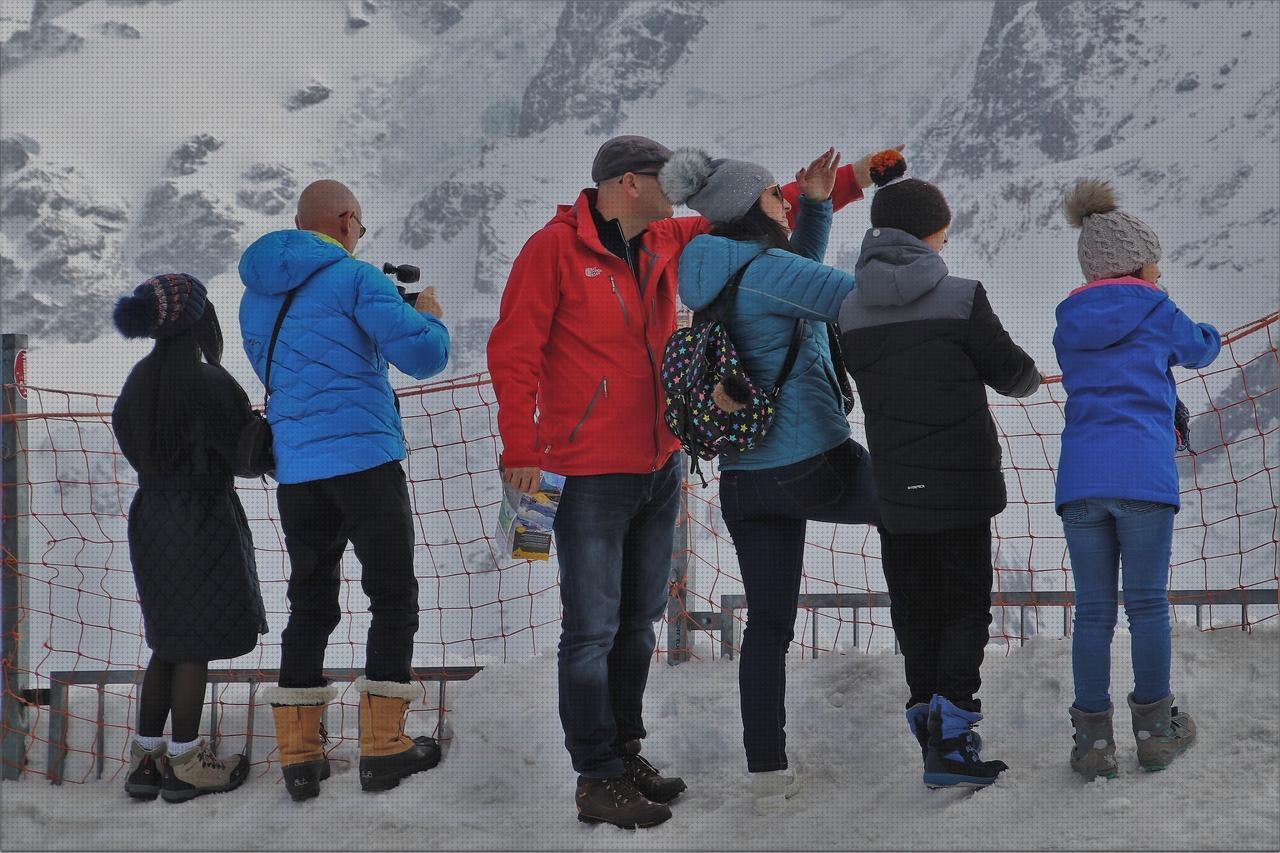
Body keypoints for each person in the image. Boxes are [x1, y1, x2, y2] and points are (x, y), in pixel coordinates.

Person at [487, 135, 875, 828]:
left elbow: (756, 216)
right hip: (580, 471)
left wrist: (848, 182)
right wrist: (521, 445)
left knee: (638, 621)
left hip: (661, 460)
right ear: (629, 183)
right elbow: (513, 348)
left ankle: (625, 749)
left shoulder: (669, 235)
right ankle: (594, 772)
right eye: (666, 177)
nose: (681, 190)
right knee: (591, 628)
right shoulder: (553, 249)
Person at [664, 147, 879, 806]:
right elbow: (854, 300)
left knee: (768, 628)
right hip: (810, 461)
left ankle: (766, 767)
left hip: (744, 481)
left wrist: (815, 205)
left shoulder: (713, 269)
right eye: (774, 195)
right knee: (915, 508)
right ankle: (938, 700)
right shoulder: (768, 270)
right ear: (751, 205)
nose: (781, 199)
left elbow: (792, 278)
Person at [238, 179, 450, 799]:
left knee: (310, 604)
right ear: (346, 220)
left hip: (299, 473)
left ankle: (299, 756)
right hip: (364, 461)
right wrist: (425, 314)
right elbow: (424, 355)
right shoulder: (358, 280)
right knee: (391, 594)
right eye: (358, 222)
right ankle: (384, 748)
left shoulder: (256, 295)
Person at [836, 149, 1042, 789]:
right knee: (964, 607)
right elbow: (1015, 375)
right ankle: (952, 744)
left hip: (895, 486)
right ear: (932, 233)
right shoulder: (961, 298)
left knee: (915, 608)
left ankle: (928, 723)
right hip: (961, 483)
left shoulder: (846, 312)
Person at [1054, 179, 1219, 779]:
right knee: (1146, 605)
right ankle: (1155, 733)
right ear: (1138, 262)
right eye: (1153, 258)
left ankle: (1092, 746)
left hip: (1079, 479)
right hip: (1144, 476)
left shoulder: (1068, 319)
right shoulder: (1157, 307)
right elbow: (1201, 349)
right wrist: (1164, 300)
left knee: (1093, 612)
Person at [111, 273, 264, 802]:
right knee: (193, 643)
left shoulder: (137, 381)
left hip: (151, 514)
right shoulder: (212, 382)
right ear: (198, 319)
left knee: (168, 641)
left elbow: (132, 445)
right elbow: (248, 457)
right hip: (202, 517)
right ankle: (188, 761)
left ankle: (146, 761)